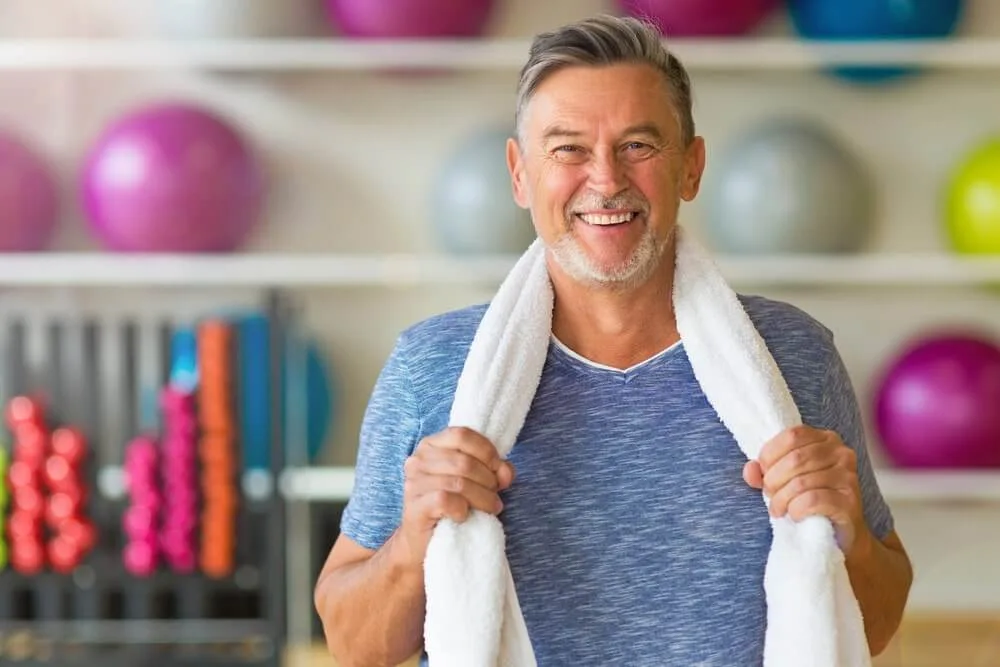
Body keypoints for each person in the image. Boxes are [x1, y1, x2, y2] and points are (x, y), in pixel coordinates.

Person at [314, 14, 913, 667]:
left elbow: (877, 621)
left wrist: (848, 533)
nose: (605, 180)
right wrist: (412, 540)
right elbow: (352, 645)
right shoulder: (432, 367)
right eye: (568, 147)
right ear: (520, 174)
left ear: (691, 167)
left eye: (638, 145)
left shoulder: (794, 356)